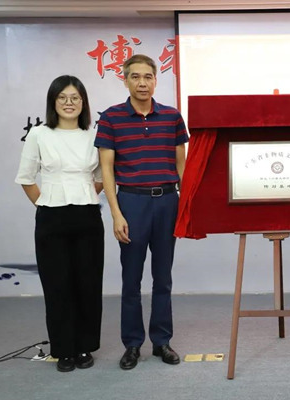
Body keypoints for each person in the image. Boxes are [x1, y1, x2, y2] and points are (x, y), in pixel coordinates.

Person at [95, 54, 189, 370]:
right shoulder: (111, 118)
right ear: (125, 80)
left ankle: (161, 341)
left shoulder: (172, 117)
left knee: (163, 278)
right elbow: (107, 170)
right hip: (131, 203)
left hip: (167, 202)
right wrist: (116, 214)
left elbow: (182, 165)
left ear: (155, 80)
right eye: (135, 76)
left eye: (148, 76)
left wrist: (186, 206)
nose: (142, 83)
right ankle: (132, 344)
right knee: (131, 279)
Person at [15, 75, 104, 373]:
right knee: (57, 285)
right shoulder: (39, 134)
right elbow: (26, 178)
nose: (69, 103)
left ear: (83, 103)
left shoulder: (93, 135)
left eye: (75, 98)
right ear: (53, 102)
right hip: (51, 217)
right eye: (62, 97)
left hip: (87, 216)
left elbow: (101, 177)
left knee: (88, 283)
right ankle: (64, 349)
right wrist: (46, 205)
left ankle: (84, 346)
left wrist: (84, 194)